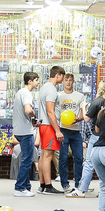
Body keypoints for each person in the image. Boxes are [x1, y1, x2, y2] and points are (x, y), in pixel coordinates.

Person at [70, 78, 105, 198]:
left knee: (89, 163)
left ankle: (82, 189)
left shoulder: (97, 102)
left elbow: (87, 118)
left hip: (96, 135)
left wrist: (83, 107)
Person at [56, 73, 86, 194]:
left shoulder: (79, 96)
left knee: (78, 157)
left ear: (74, 82)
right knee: (62, 158)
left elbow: (84, 113)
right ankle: (64, 184)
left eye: (70, 80)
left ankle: (78, 183)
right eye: (66, 80)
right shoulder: (58, 96)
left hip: (76, 131)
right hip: (63, 130)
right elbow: (54, 112)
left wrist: (79, 118)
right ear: (63, 82)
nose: (68, 82)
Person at [38, 65, 65, 195]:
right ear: (58, 75)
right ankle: (48, 186)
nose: (63, 79)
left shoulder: (43, 87)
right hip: (49, 125)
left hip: (44, 125)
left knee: (43, 155)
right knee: (48, 156)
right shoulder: (52, 90)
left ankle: (42, 185)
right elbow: (50, 111)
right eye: (62, 76)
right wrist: (57, 130)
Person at [12, 71, 39, 198]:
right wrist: (33, 114)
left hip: (19, 130)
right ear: (30, 81)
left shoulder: (20, 92)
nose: (38, 83)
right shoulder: (27, 93)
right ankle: (20, 187)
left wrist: (33, 121)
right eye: (36, 80)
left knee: (27, 159)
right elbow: (28, 110)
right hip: (25, 132)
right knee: (27, 160)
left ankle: (26, 187)